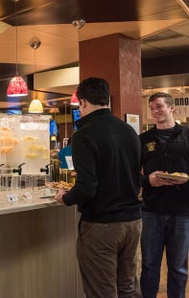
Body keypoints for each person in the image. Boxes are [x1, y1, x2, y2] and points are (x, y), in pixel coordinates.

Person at [54, 77, 142, 297]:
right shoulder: (129, 131)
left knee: (102, 291)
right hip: (133, 222)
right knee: (128, 288)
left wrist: (65, 197)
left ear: (82, 102)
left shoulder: (84, 135)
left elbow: (86, 189)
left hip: (103, 225)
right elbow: (126, 172)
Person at [139, 92, 189, 298]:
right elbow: (131, 173)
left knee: (178, 268)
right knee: (150, 266)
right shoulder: (143, 140)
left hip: (182, 211)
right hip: (152, 211)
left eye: (159, 106)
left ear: (171, 108)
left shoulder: (187, 135)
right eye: (151, 108)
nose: (155, 112)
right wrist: (147, 181)